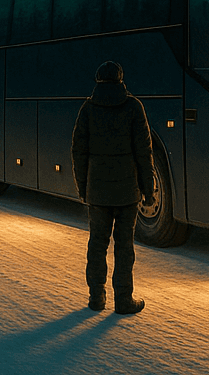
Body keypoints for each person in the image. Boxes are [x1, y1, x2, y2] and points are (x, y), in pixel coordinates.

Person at [70, 60, 154, 315]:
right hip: (127, 192)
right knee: (124, 246)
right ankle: (123, 300)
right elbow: (144, 152)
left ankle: (96, 297)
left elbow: (78, 151)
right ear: (120, 79)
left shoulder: (88, 109)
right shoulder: (133, 107)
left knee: (97, 244)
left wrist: (83, 188)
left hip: (97, 191)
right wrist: (148, 190)